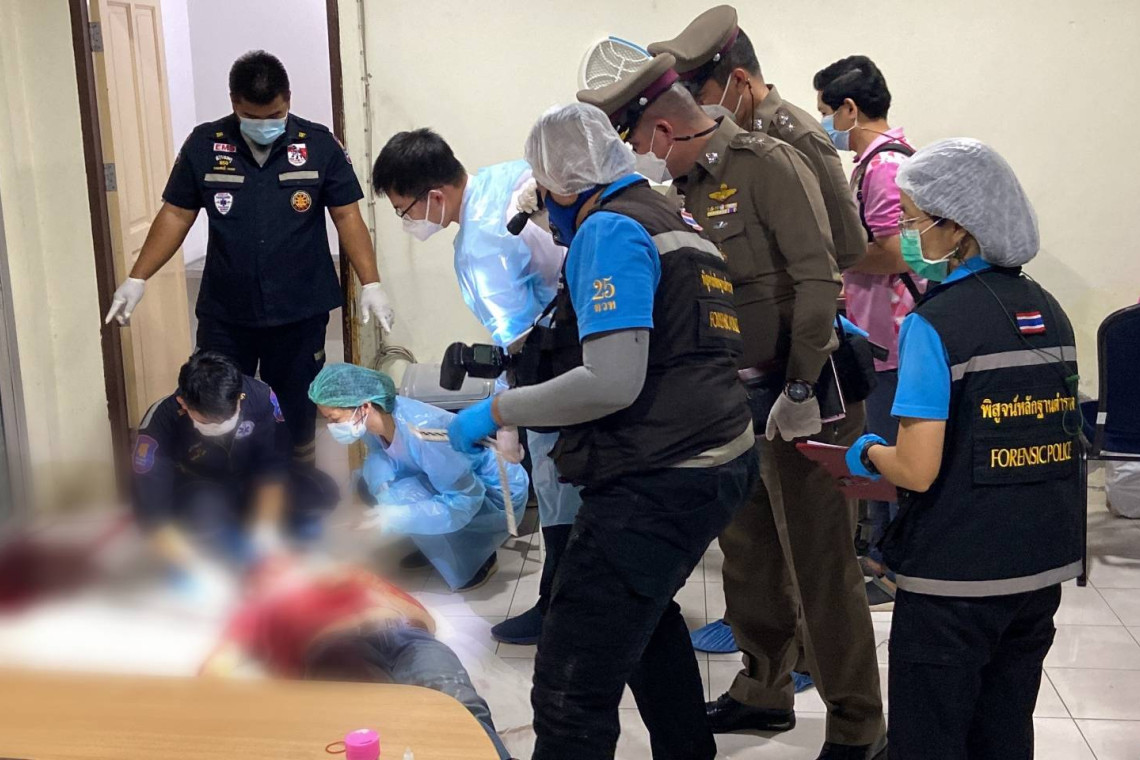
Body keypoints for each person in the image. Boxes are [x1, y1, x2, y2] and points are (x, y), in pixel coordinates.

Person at [578, 55, 886, 759]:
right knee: (748, 558)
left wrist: (801, 387)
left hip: (806, 394)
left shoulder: (766, 163)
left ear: (663, 130)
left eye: (637, 139)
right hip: (730, 400)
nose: (638, 155)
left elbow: (819, 280)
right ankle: (763, 688)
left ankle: (858, 725)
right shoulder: (676, 188)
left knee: (821, 567)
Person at [446, 103, 757, 759]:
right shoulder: (673, 218)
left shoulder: (609, 230)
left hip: (662, 478)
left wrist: (499, 411)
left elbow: (611, 381)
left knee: (571, 680)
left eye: (543, 190)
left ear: (562, 182)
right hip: (718, 458)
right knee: (646, 617)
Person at [845, 138, 1083, 760]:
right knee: (1004, 731)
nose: (905, 235)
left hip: (956, 577)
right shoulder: (1050, 310)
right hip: (1040, 565)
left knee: (930, 738)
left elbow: (917, 470)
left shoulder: (935, 324)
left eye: (912, 220)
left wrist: (865, 452)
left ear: (957, 228)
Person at [104, 50, 395, 467]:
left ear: (288, 99)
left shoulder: (318, 145)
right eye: (250, 116)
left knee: (297, 410)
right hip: (227, 312)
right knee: (217, 404)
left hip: (298, 310)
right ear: (233, 103)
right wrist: (138, 277)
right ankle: (226, 487)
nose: (263, 125)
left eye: (274, 115)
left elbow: (347, 215)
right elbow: (176, 214)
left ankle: (297, 485)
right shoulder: (205, 145)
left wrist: (371, 282)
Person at [370, 129, 580, 644]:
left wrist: (505, 414)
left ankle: (560, 610)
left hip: (559, 364)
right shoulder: (505, 178)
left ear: (434, 196)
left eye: (405, 210)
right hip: (582, 342)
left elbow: (520, 342)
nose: (408, 222)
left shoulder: (482, 247)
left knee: (560, 490)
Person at [201, 557, 511, 759]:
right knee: (368, 734)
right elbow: (218, 666)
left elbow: (425, 624)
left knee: (461, 708)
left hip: (406, 636)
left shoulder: (349, 578)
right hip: (333, 649)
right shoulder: (258, 609)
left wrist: (367, 589)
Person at [814, 55, 920, 610]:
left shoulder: (884, 167)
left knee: (891, 451)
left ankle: (897, 566)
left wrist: (833, 257)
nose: (826, 123)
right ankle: (879, 554)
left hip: (893, 335)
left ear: (850, 109)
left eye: (826, 111)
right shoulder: (877, 161)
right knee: (875, 445)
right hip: (878, 330)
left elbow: (894, 252)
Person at [648, 5, 865, 273]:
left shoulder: (795, 136)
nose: (696, 110)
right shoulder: (719, 140)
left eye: (701, 99)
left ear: (739, 81)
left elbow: (848, 244)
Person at [308, 363, 528, 592]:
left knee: (405, 499)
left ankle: (477, 558)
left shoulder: (423, 433)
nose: (332, 427)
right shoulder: (375, 420)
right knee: (379, 486)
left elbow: (464, 501)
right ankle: (437, 547)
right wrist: (384, 502)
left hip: (499, 494)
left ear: (364, 406)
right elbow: (382, 459)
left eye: (334, 419)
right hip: (455, 482)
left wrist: (396, 516)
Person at [132, 351, 337, 579]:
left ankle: (289, 548)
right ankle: (216, 554)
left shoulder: (260, 396)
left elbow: (273, 467)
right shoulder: (161, 421)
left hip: (249, 481)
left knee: (317, 490)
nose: (220, 426)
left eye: (228, 417)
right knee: (204, 510)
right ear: (184, 403)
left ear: (239, 397)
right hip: (202, 489)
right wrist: (194, 566)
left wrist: (264, 534)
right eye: (208, 421)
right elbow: (153, 511)